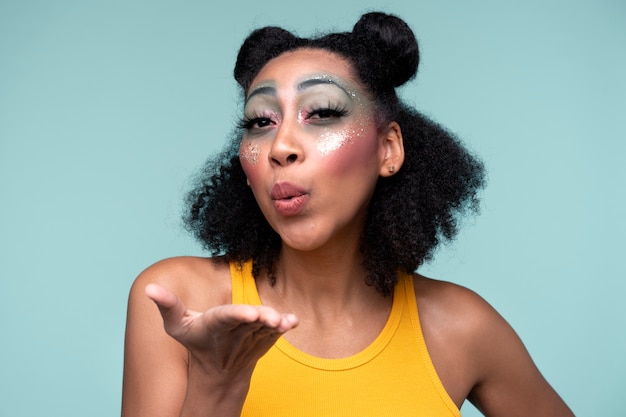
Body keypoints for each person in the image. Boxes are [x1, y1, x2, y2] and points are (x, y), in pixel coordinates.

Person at [121, 11, 574, 417]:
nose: (281, 148)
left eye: (321, 113)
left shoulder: (462, 328)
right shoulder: (179, 304)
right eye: (261, 121)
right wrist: (217, 385)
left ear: (388, 149)